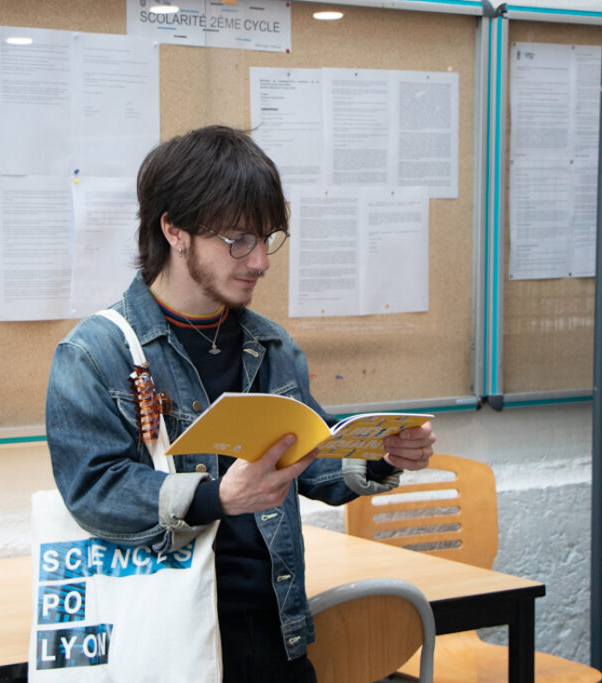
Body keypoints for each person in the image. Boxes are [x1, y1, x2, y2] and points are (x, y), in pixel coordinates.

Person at [45, 124, 436, 682]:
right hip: (165, 639)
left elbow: (306, 459)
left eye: (267, 238)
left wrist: (379, 453)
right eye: (237, 240)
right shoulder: (95, 352)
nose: (260, 262)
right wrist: (215, 498)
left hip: (275, 631)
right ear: (174, 230)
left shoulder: (271, 345)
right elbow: (94, 489)